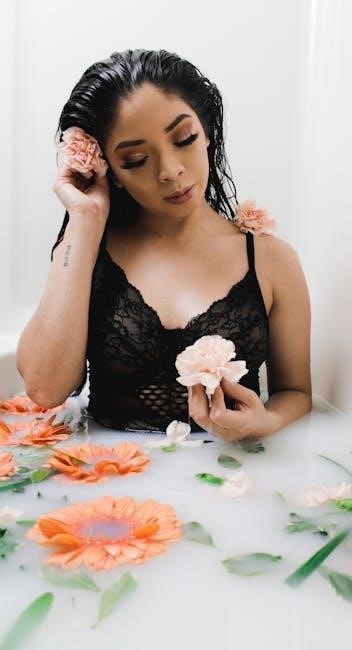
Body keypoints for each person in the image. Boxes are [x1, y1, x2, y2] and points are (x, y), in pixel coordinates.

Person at [16, 48, 312, 441]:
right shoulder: (88, 250)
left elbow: (296, 393)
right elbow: (44, 389)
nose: (170, 171)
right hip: (108, 469)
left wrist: (266, 422)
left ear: (207, 132)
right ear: (110, 170)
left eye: (184, 139)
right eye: (136, 159)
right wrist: (85, 221)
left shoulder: (272, 260)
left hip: (235, 467)